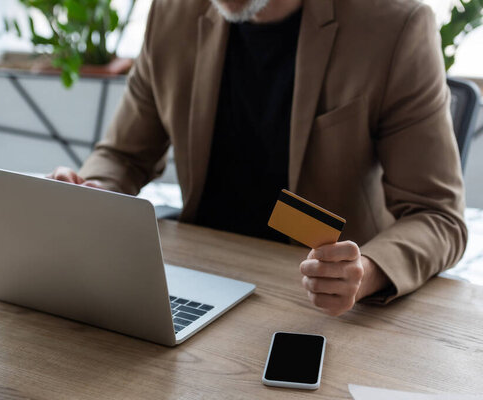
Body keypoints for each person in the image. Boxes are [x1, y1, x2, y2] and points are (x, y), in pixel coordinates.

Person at [48, 0, 467, 316]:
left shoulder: (392, 25)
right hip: (195, 275)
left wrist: (368, 271)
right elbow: (124, 155)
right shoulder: (172, 12)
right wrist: (92, 192)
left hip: (315, 298)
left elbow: (438, 216)